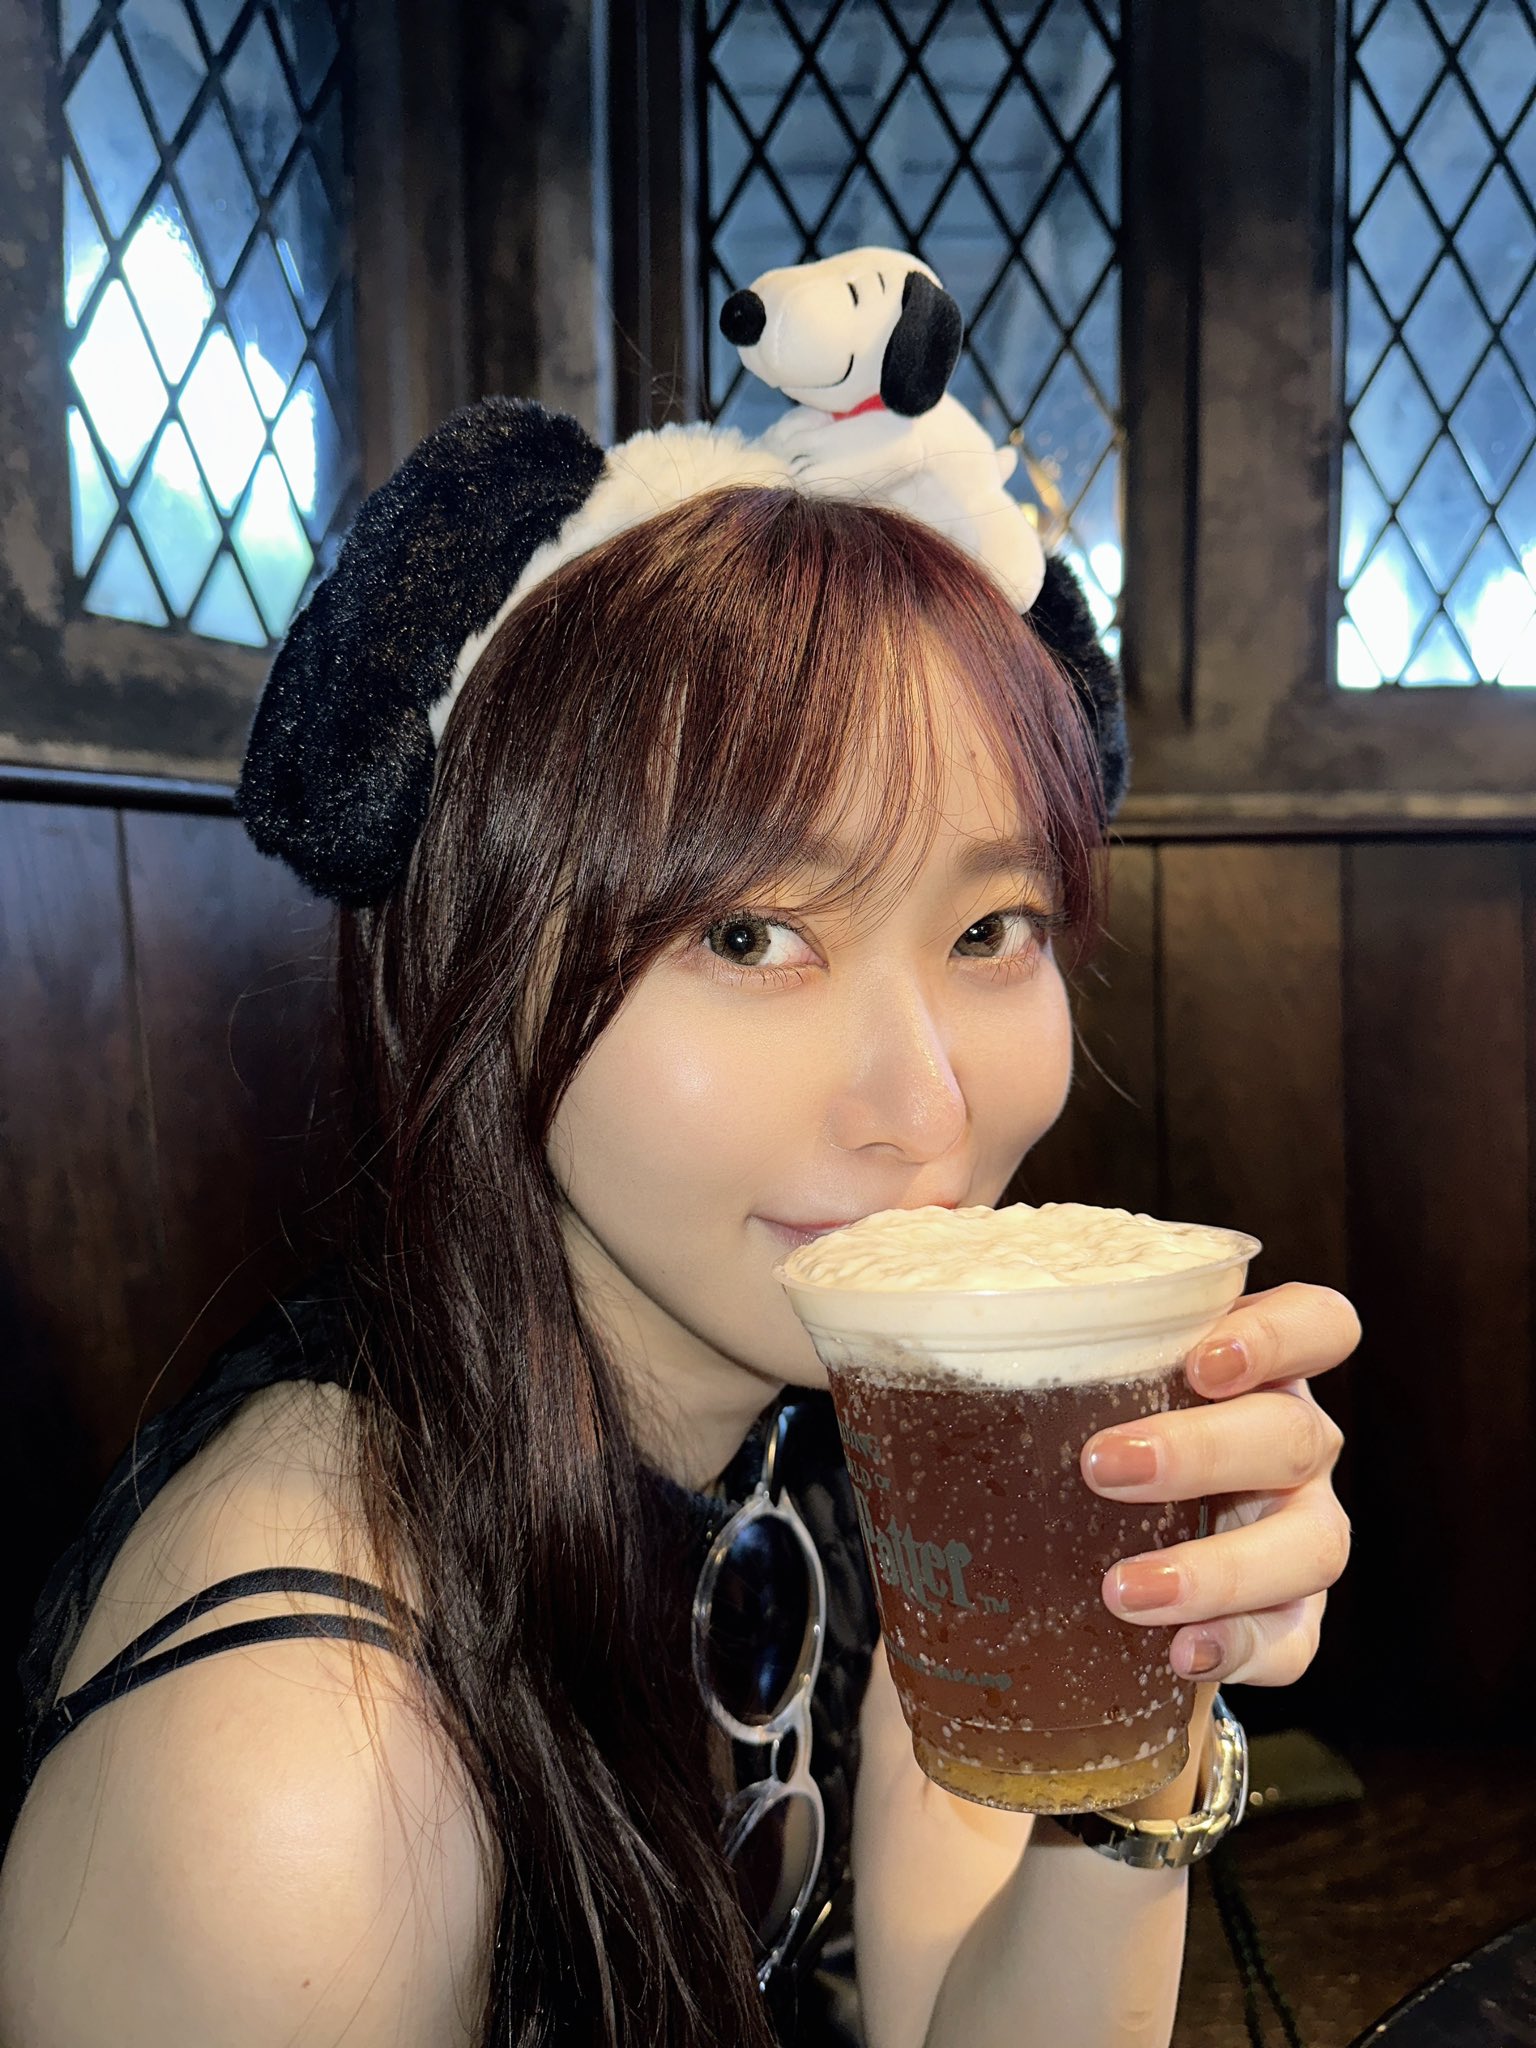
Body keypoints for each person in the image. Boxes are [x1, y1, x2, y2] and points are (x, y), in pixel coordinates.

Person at [0, 320, 1356, 2047]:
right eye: (752, 934)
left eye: (992, 927)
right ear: (475, 962)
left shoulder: (855, 1433)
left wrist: (1132, 1709)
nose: (924, 1109)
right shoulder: (297, 1793)